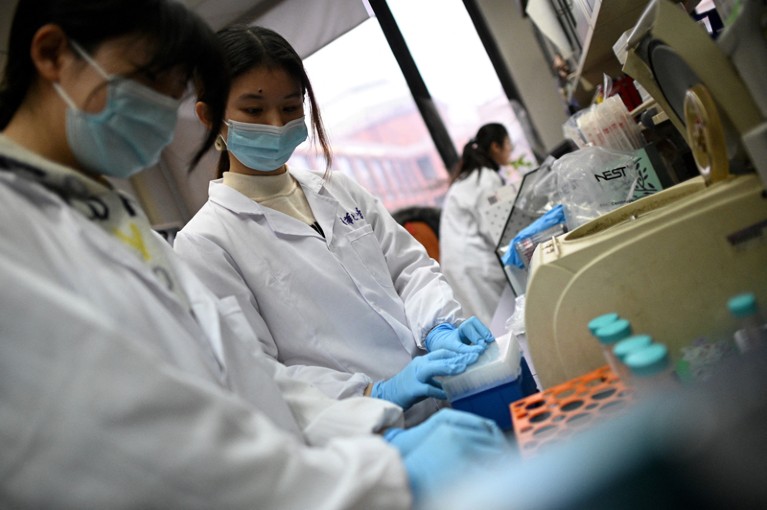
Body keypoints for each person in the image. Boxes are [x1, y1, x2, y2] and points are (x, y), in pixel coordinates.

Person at [0, 1, 509, 508]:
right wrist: (381, 458)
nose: (159, 113)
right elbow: (140, 440)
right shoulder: (20, 231)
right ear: (51, 54)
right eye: (149, 83)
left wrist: (385, 407)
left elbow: (247, 378)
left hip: (350, 452)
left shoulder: (118, 221)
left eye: (169, 93)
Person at [174, 25, 497, 425]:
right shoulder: (206, 242)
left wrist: (439, 328)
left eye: (290, 107)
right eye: (254, 110)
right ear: (210, 117)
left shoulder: (338, 189)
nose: (276, 124)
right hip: (362, 433)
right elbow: (258, 370)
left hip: (445, 392)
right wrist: (373, 394)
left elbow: (408, 268)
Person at [440, 123, 513, 327]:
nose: (510, 150)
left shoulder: (472, 176)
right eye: (508, 143)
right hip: (473, 262)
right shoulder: (487, 178)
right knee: (499, 323)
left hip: (461, 262)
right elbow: (494, 229)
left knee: (488, 321)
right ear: (495, 147)